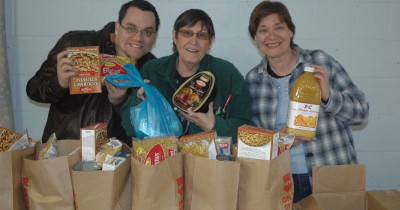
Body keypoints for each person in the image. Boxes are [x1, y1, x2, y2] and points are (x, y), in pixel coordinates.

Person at [245, 1, 369, 203]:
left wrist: (329, 96)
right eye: (263, 30)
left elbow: (362, 114)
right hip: (283, 181)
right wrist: (283, 141)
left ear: (291, 31)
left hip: (332, 173)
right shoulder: (253, 80)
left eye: (279, 27)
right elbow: (254, 143)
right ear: (255, 38)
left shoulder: (320, 62)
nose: (272, 36)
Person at [26, 0, 159, 145]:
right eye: (131, 28)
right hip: (66, 152)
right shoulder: (76, 43)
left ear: (155, 36)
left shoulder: (151, 68)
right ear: (117, 27)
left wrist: (120, 103)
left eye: (147, 31)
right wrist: (59, 84)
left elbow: (146, 129)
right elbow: (33, 90)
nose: (138, 38)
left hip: (116, 158)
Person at [119, 9, 253, 142]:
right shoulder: (152, 71)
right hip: (162, 158)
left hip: (207, 161)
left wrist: (214, 126)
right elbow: (128, 128)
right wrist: (140, 105)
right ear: (175, 36)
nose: (194, 41)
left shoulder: (227, 74)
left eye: (201, 35)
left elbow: (247, 130)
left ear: (210, 41)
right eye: (187, 33)